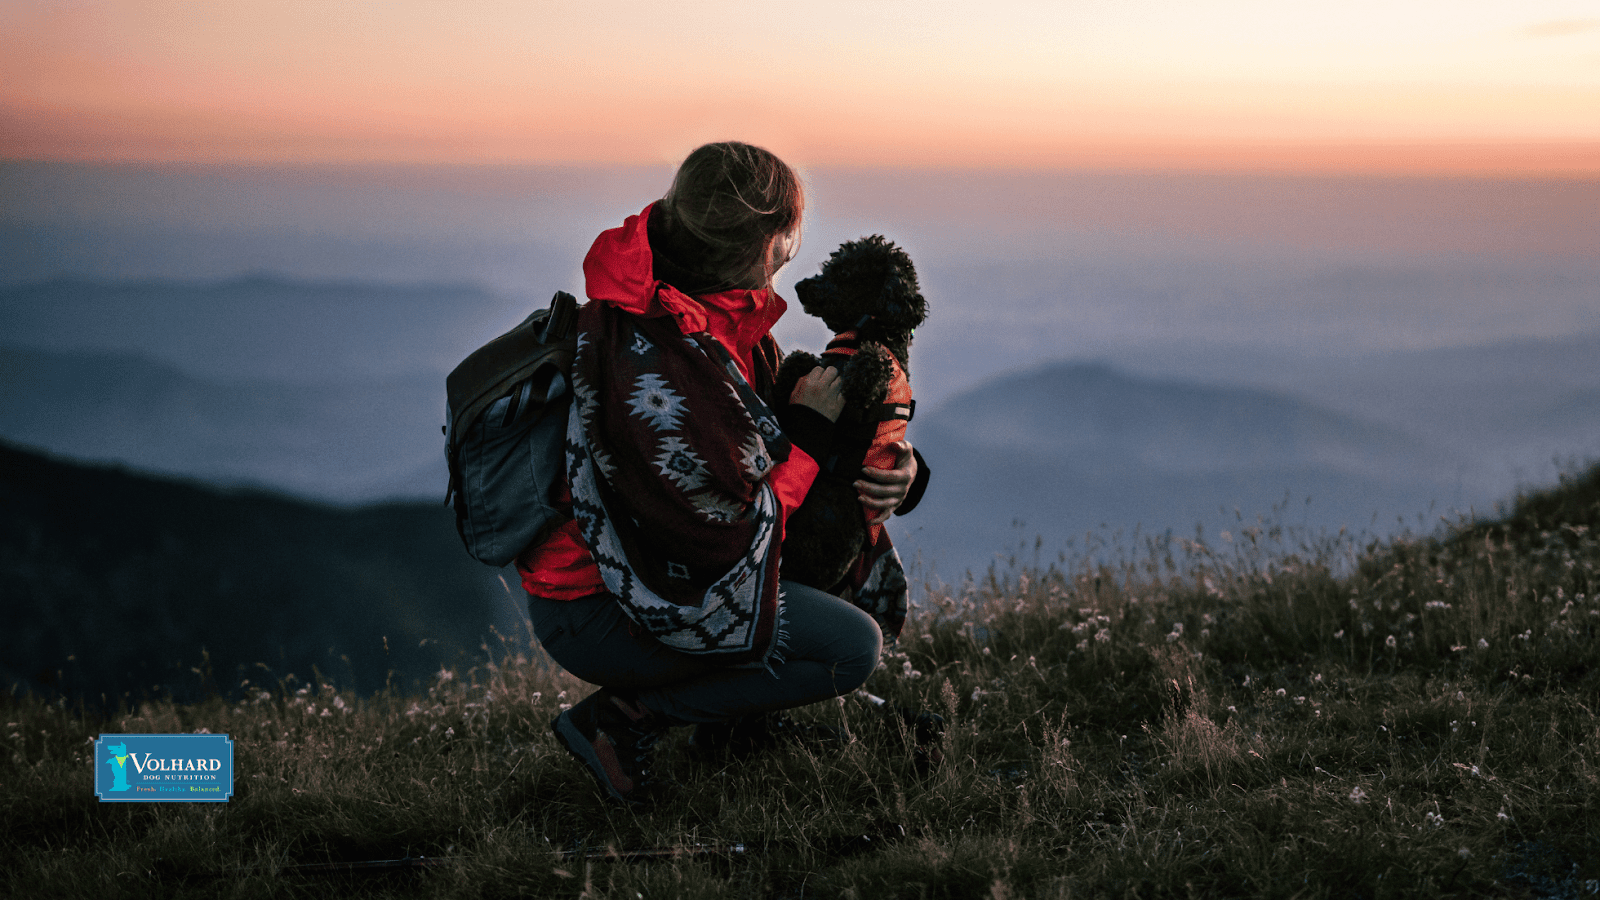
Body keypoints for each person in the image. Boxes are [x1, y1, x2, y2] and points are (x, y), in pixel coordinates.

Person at [515, 141, 928, 806]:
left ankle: (735, 729)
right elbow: (727, 531)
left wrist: (900, 470)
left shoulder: (709, 314)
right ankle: (621, 720)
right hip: (601, 610)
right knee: (849, 648)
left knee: (818, 575)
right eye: (791, 226)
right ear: (768, 244)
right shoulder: (663, 356)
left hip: (640, 573)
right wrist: (813, 435)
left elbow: (754, 446)